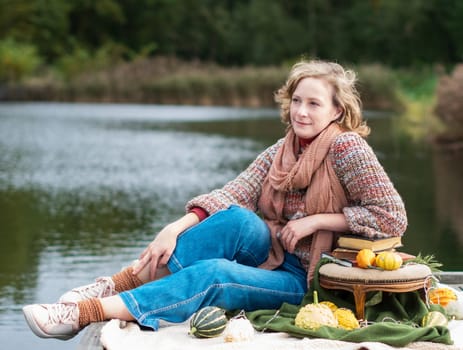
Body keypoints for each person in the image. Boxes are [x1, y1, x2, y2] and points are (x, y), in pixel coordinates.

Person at [22, 59, 407, 340]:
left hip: (309, 278)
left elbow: (392, 217)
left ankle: (82, 314)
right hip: (275, 253)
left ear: (337, 110)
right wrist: (176, 226)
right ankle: (114, 283)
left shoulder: (346, 148)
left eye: (314, 104)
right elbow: (233, 192)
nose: (301, 112)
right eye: (296, 101)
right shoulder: (283, 149)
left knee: (214, 275)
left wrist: (318, 221)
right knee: (237, 218)